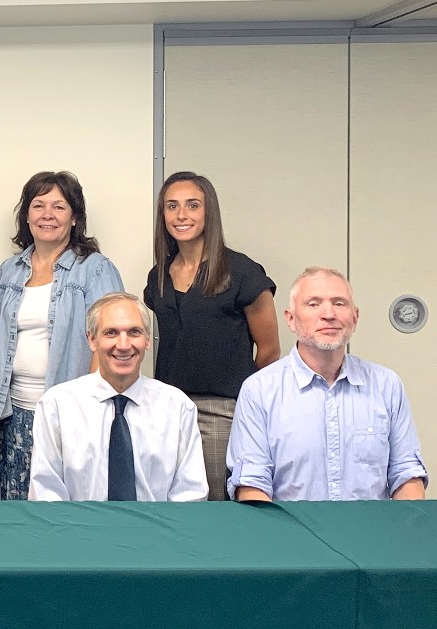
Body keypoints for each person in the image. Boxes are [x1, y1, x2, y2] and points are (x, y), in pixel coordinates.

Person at [227, 267, 427, 502]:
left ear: (355, 317)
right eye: (313, 304)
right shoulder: (259, 390)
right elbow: (252, 484)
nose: (329, 314)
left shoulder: (387, 386)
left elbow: (406, 475)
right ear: (290, 319)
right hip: (290, 534)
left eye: (339, 303)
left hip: (372, 534)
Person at [143, 171, 279, 501]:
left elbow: (270, 350)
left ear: (209, 213)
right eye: (172, 206)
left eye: (192, 205)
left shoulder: (242, 271)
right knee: (171, 501)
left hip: (221, 411)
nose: (181, 215)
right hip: (168, 407)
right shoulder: (160, 274)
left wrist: (246, 405)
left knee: (218, 503)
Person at [0, 171, 124, 500]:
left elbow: (110, 345)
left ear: (75, 217)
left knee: (67, 511)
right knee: (18, 510)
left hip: (70, 415)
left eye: (59, 207)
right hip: (14, 416)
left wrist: (88, 409)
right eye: (38, 205)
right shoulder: (9, 271)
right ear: (26, 216)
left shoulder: (95, 269)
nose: (47, 214)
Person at [29, 293, 207, 502]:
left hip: (157, 531)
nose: (123, 345)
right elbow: (46, 494)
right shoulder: (56, 406)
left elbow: (190, 495)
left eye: (134, 332)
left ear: (147, 339)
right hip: (78, 530)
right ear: (92, 340)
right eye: (111, 333)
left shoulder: (178, 408)